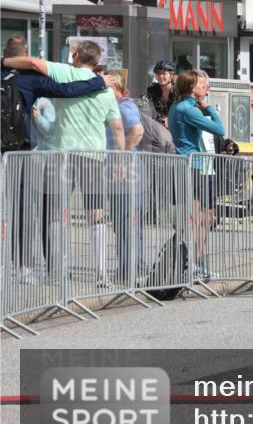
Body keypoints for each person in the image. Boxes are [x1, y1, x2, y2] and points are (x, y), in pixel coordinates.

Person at [3, 40, 124, 285]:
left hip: (59, 153)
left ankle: (53, 270)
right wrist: (119, 158)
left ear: (76, 56)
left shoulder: (62, 71)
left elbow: (36, 63)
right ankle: (100, 273)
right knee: (95, 213)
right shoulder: (105, 89)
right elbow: (118, 127)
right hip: (90, 155)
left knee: (55, 213)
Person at [168, 69, 226, 280]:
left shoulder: (181, 106)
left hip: (198, 165)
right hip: (192, 166)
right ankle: (190, 263)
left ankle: (198, 261)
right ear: (191, 88)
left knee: (205, 216)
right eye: (202, 84)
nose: (205, 87)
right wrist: (209, 107)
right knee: (195, 217)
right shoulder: (187, 109)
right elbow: (220, 129)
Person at [105, 70, 146, 283]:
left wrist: (120, 158)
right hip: (126, 171)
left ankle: (129, 269)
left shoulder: (123, 106)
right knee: (127, 222)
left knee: (125, 222)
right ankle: (134, 267)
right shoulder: (120, 105)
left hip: (125, 172)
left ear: (118, 88)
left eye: (108, 86)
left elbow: (137, 131)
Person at [144, 60, 176, 125]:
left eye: (164, 73)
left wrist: (171, 118)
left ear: (171, 75)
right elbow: (141, 103)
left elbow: (186, 110)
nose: (161, 76)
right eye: (158, 73)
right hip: (159, 127)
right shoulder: (152, 89)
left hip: (177, 126)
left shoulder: (178, 90)